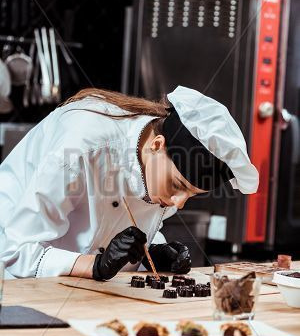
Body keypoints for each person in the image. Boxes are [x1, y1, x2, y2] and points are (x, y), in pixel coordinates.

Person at [0, 85, 258, 280]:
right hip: (14, 280)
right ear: (157, 145)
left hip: (77, 294)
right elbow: (14, 250)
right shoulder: (81, 147)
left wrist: (154, 250)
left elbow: (125, 220)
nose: (179, 203)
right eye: (178, 185)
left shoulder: (155, 164)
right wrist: (95, 266)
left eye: (191, 194)